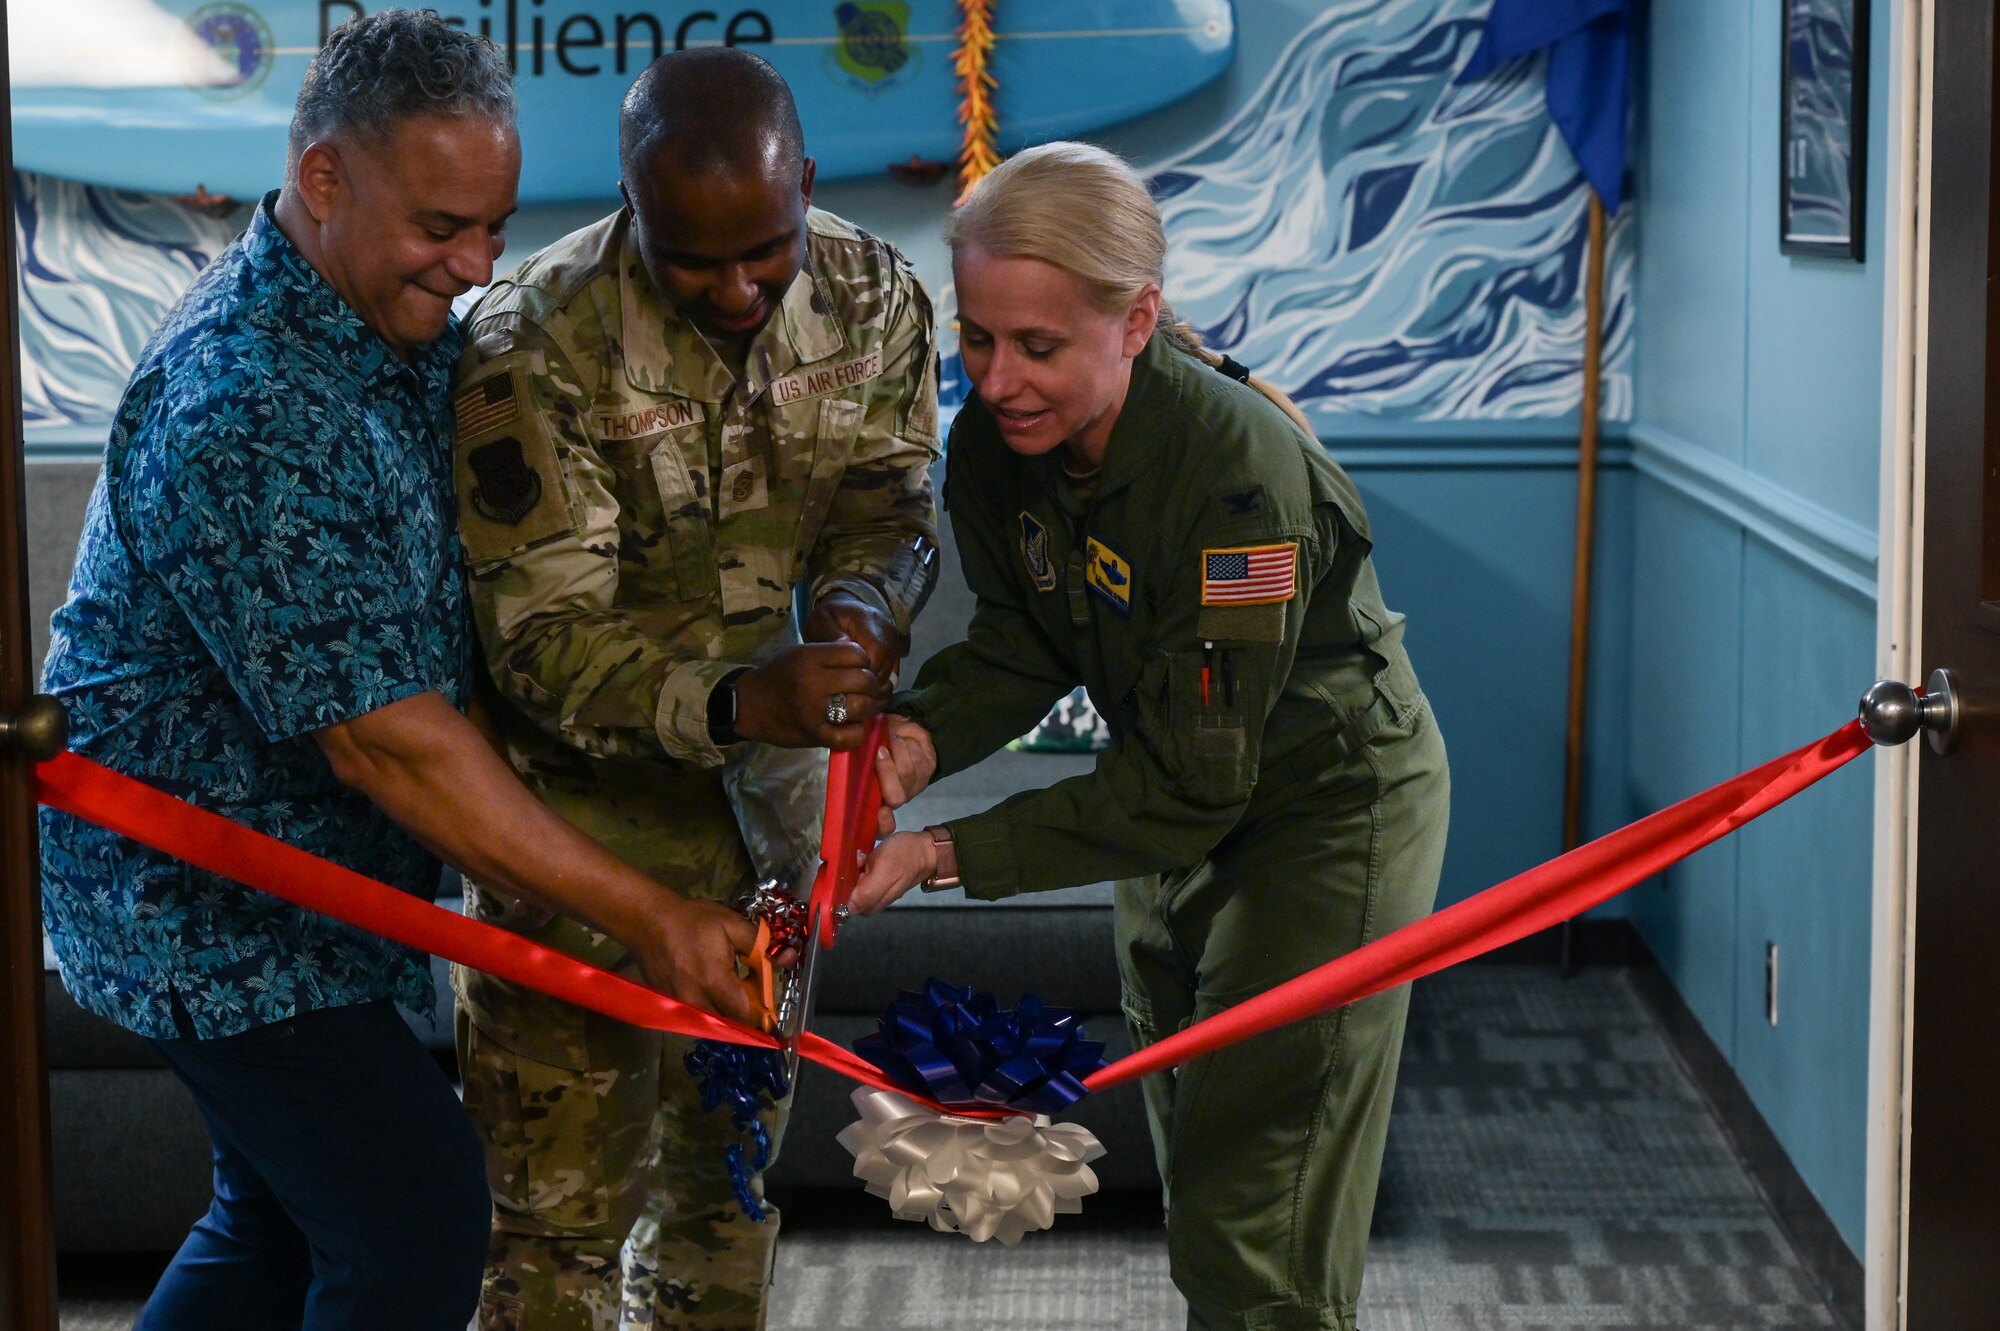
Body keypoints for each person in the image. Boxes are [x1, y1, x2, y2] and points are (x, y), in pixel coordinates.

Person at [37, 14, 768, 1330]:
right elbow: (386, 739)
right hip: (204, 908)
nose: (477, 264)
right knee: (417, 1217)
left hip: (322, 896)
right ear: (325, 180)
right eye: (444, 225)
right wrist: (650, 913)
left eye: (494, 224)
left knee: (268, 1221)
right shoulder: (244, 398)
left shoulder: (382, 319)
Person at [852, 141, 1451, 1331]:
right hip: (1168, 788)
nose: (998, 377)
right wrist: (909, 745)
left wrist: (934, 852)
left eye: (1039, 346)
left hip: (1319, 811)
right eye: (976, 337)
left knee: (1257, 1204)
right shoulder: (993, 448)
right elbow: (1024, 648)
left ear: (1135, 321)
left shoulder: (1236, 476)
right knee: (1197, 1164)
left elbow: (1192, 781)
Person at [449, 47, 940, 1331]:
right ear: (626, 203)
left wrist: (855, 617)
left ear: (807, 187)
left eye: (764, 251)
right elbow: (539, 645)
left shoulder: (871, 291)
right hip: (573, 849)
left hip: (764, 841)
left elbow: (888, 507)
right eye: (692, 260)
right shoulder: (533, 338)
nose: (737, 289)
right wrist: (743, 700)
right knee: (557, 1233)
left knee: (723, 1203)